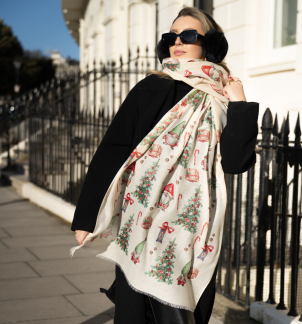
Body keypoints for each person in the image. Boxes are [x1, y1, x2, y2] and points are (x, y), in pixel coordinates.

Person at [71, 6, 259, 324]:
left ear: (210, 44)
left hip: (193, 225)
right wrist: (86, 217)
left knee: (187, 311)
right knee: (135, 314)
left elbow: (236, 162)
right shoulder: (152, 87)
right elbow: (113, 149)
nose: (177, 41)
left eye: (188, 35)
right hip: (140, 218)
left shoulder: (222, 96)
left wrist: (240, 104)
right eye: (171, 36)